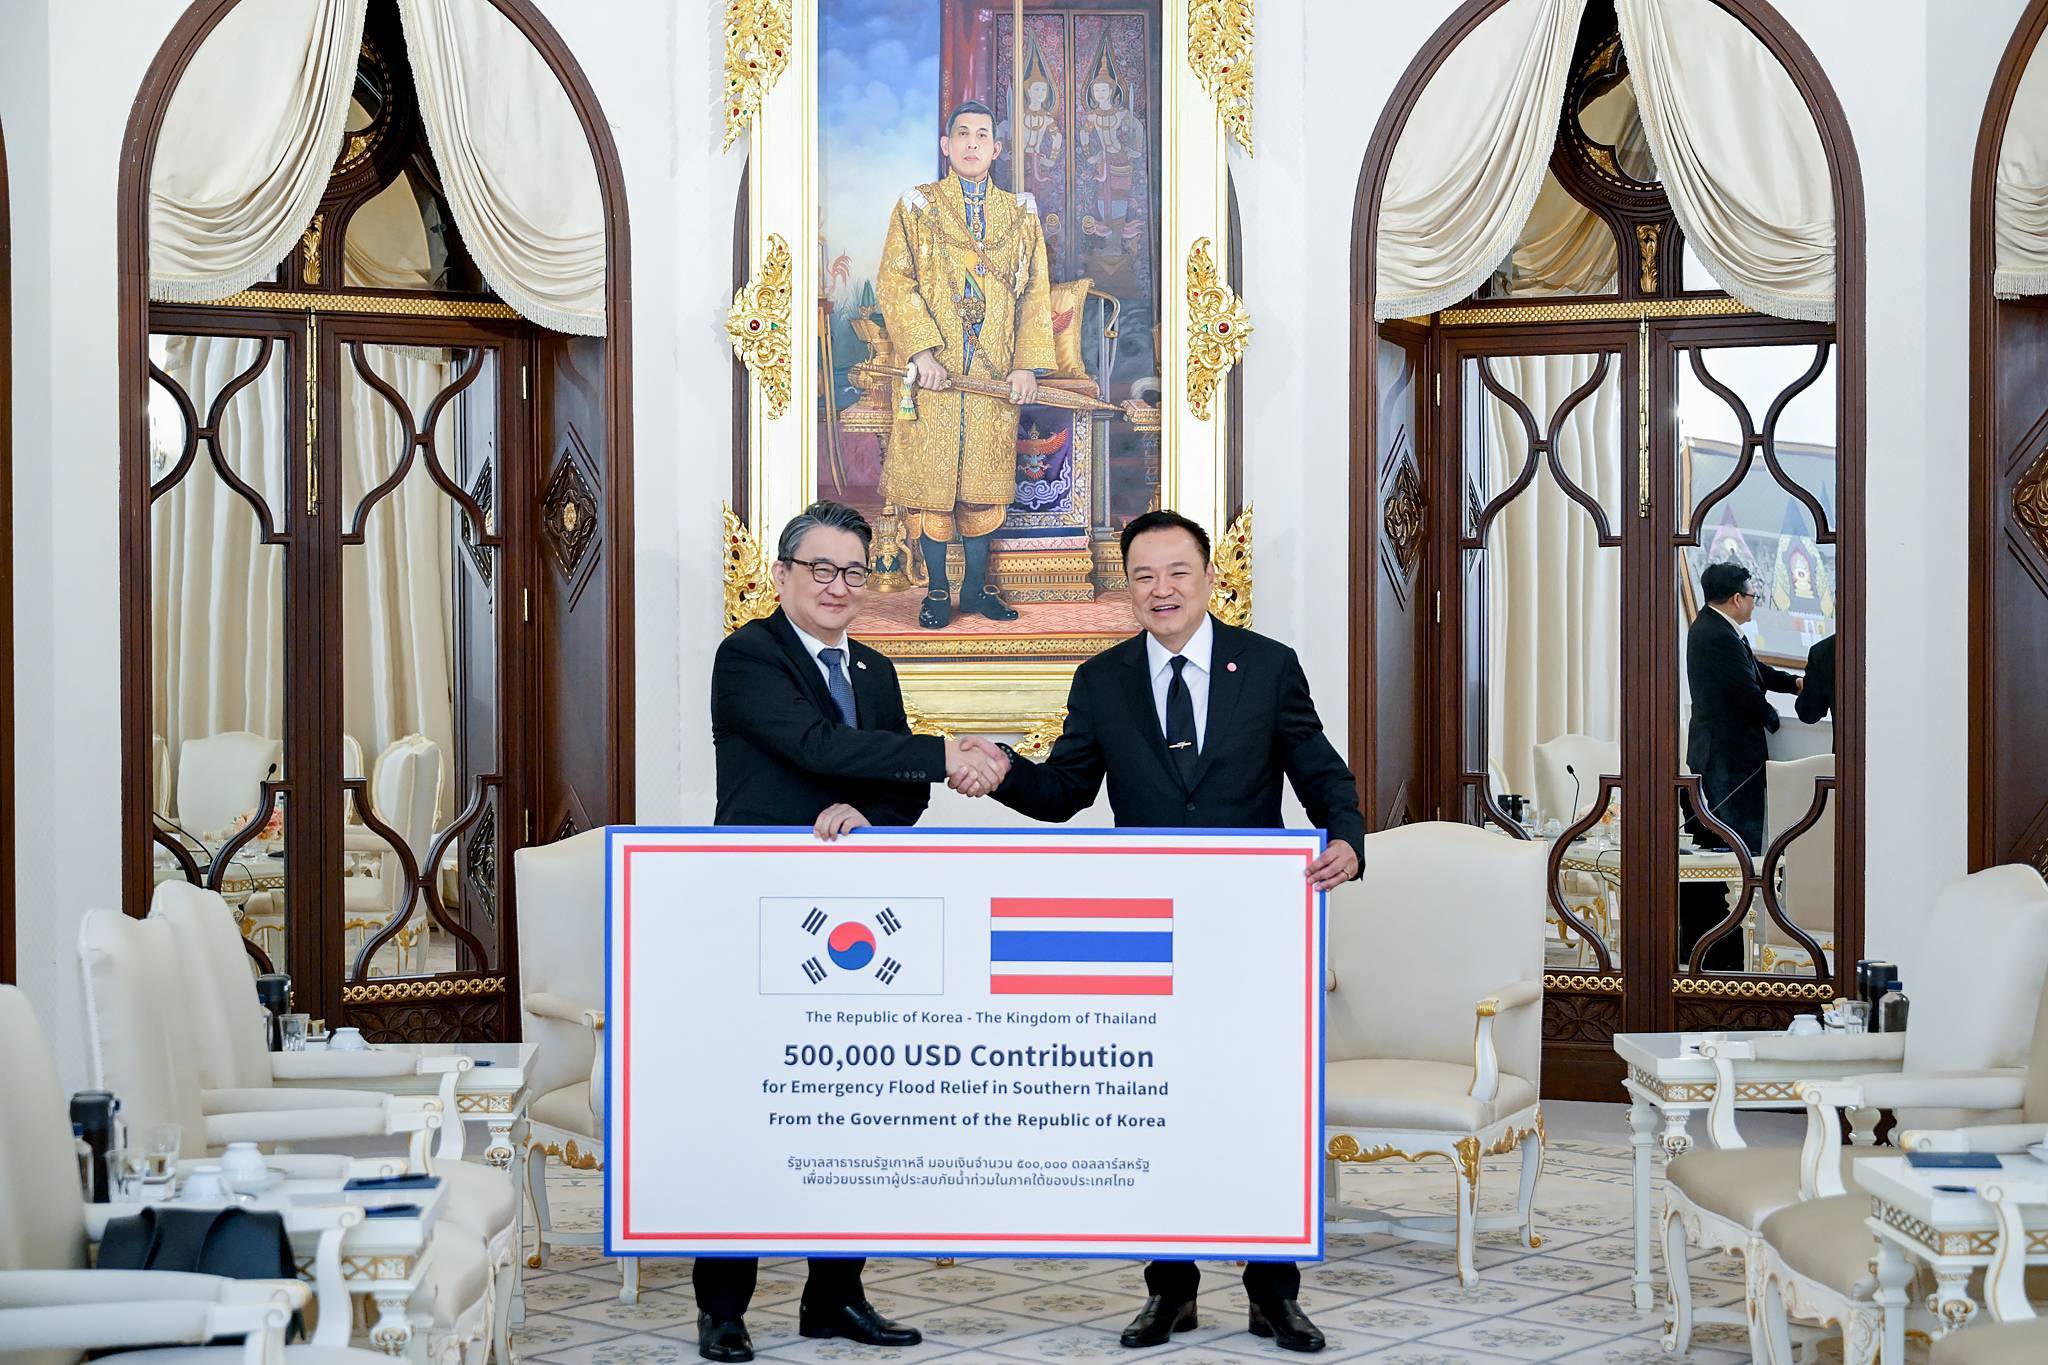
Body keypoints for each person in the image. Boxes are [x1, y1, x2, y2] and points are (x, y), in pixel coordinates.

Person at [960, 508, 1364, 1355]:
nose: (1161, 589)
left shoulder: (1268, 665)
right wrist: (1001, 770)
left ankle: (1273, 1293)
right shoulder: (1102, 679)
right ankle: (1169, 1288)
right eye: (1143, 575)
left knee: (1258, 1104)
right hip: (1146, 931)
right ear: (1128, 588)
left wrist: (1348, 838)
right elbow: (1064, 791)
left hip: (1252, 925)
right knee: (1159, 1103)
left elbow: (1319, 769)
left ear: (1209, 578)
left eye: (1178, 572)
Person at [703, 500, 1005, 1362]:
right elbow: (815, 745)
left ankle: (834, 1295)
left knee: (849, 1108)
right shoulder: (747, 655)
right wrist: (940, 753)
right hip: (762, 910)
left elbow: (896, 789)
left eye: (854, 572)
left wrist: (869, 817)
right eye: (822, 569)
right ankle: (723, 1307)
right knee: (750, 1109)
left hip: (859, 925)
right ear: (782, 575)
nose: (839, 587)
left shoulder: (874, 668)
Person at [875, 99, 1055, 629]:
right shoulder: (917, 207)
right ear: (946, 145)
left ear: (996, 149)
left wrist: (1026, 365)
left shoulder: (1019, 215)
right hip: (935, 374)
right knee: (932, 490)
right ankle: (936, 592)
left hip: (994, 376)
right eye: (962, 134)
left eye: (982, 135)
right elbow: (895, 282)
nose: (972, 143)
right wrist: (921, 351)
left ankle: (975, 591)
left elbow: (1035, 292)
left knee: (982, 487)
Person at [1683, 561, 1802, 858]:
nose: (1753, 604)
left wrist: (1795, 683)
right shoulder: (1717, 634)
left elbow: (1753, 669)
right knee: (1733, 847)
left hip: (1723, 755)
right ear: (1737, 598)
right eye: (1753, 597)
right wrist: (1772, 719)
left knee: (1733, 843)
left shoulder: (1716, 626)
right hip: (1727, 758)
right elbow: (1745, 690)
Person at [1796, 633, 1835, 725]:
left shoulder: (1823, 651)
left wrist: (1806, 687)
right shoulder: (1822, 651)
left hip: (1851, 733)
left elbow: (1808, 712)